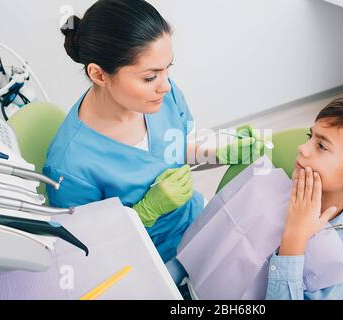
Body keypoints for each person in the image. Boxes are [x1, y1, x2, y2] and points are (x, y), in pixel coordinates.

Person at [43, 0, 262, 263]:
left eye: (168, 68)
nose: (166, 85)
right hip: (145, 260)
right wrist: (144, 213)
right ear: (99, 75)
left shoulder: (161, 97)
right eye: (150, 77)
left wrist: (218, 152)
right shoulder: (70, 166)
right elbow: (87, 251)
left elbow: (174, 151)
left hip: (196, 224)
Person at [167, 96, 343, 299]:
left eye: (322, 146)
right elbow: (199, 249)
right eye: (311, 137)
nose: (302, 148)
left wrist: (294, 240)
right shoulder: (268, 185)